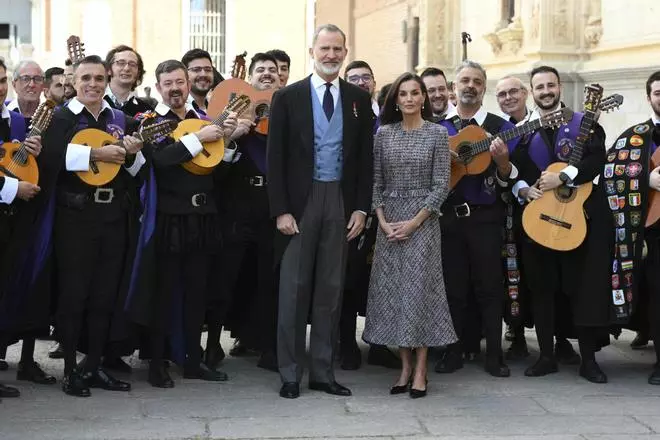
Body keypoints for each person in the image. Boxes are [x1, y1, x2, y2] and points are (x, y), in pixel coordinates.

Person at [267, 24, 373, 399]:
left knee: (330, 288)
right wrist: (280, 210)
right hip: (300, 201)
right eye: (324, 48)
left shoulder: (358, 98)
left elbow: (364, 161)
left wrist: (361, 207)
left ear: (345, 53)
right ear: (312, 51)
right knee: (293, 289)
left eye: (337, 49)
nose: (331, 55)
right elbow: (274, 158)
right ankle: (290, 373)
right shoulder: (287, 97)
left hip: (341, 201)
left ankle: (323, 372)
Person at [39, 55, 145, 397]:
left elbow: (136, 172)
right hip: (76, 219)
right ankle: (71, 370)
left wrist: (133, 152)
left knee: (104, 295)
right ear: (75, 81)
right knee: (75, 294)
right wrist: (96, 156)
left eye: (99, 78)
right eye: (86, 78)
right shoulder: (60, 117)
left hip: (113, 216)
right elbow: (52, 159)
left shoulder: (119, 119)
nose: (93, 85)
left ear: (108, 78)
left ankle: (95, 364)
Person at [135, 59, 237, 388]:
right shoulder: (151, 122)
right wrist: (199, 139)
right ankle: (157, 365)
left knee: (198, 293)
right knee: (164, 294)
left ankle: (193, 362)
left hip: (204, 218)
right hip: (170, 219)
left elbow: (217, 171)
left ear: (188, 83)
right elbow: (161, 161)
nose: (176, 88)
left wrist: (228, 143)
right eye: (168, 83)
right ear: (159, 86)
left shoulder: (202, 119)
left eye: (180, 81)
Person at [363, 72, 456, 399]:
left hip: (424, 223)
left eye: (416, 93)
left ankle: (421, 370)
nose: (410, 99)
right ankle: (404, 366)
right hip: (389, 224)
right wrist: (383, 222)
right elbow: (374, 183)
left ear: (423, 98)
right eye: (404, 94)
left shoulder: (437, 134)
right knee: (394, 295)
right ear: (396, 100)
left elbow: (441, 185)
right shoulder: (383, 135)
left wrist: (416, 222)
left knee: (419, 294)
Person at [512, 65, 606, 382]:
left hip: (576, 219)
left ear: (560, 88)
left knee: (581, 290)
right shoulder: (524, 131)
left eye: (550, 85)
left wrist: (563, 176)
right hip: (540, 220)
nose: (546, 91)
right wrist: (523, 187)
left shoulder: (584, 123)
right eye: (539, 87)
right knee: (541, 291)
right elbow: (517, 170)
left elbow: (596, 160)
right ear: (532, 92)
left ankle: (589, 360)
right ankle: (547, 356)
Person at [434, 60, 518, 378]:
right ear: (454, 88)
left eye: (477, 81)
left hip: (485, 218)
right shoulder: (440, 128)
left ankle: (494, 356)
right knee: (452, 288)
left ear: (484, 88)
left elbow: (511, 178)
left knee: (489, 288)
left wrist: (503, 162)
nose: (470, 86)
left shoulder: (501, 127)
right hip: (449, 220)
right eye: (464, 81)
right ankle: (452, 352)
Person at [211, 52, 281, 372]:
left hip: (272, 205)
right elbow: (215, 169)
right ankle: (212, 345)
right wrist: (233, 137)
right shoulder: (231, 111)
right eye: (260, 70)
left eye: (273, 70)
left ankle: (268, 345)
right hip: (238, 205)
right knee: (225, 277)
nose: (267, 74)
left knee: (270, 279)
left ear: (281, 78)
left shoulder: (287, 112)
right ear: (250, 78)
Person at [339, 60, 399, 371]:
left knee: (383, 281)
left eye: (366, 77)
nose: (361, 82)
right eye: (354, 78)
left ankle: (378, 344)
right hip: (354, 209)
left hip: (389, 209)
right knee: (349, 279)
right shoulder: (341, 116)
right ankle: (346, 343)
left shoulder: (387, 118)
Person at [0, 57, 46, 398]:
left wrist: (36, 154)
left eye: (1, 80)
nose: (1, 87)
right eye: (14, 80)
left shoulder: (13, 121)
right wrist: (14, 189)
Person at [495, 74, 531, 359]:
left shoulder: (542, 122)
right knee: (512, 272)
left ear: (526, 93)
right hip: (509, 211)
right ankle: (516, 331)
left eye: (514, 92)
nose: (509, 98)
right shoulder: (500, 129)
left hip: (544, 205)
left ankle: (559, 337)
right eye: (502, 94)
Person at [104, 45, 154, 117]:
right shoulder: (93, 102)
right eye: (121, 63)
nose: (127, 68)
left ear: (138, 72)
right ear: (108, 69)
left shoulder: (146, 111)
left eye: (132, 64)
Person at [7, 60, 45, 130]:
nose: (32, 84)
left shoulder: (53, 114)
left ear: (43, 86)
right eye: (25, 79)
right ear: (14, 85)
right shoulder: (4, 112)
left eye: (37, 79)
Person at [181, 49, 216, 115]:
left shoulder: (218, 109)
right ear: (184, 74)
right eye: (196, 70)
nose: (203, 74)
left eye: (208, 70)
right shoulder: (177, 110)